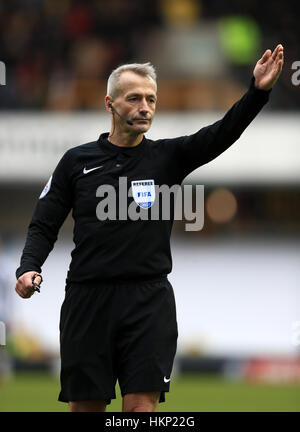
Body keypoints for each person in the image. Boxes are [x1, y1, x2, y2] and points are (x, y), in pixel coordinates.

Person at [15, 44, 284, 412]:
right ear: (110, 103)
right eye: (134, 98)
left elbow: (221, 133)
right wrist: (29, 267)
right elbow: (44, 223)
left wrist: (257, 93)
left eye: (151, 99)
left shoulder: (167, 158)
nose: (145, 107)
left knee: (142, 408)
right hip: (87, 299)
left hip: (148, 301)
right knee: (86, 408)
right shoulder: (76, 162)